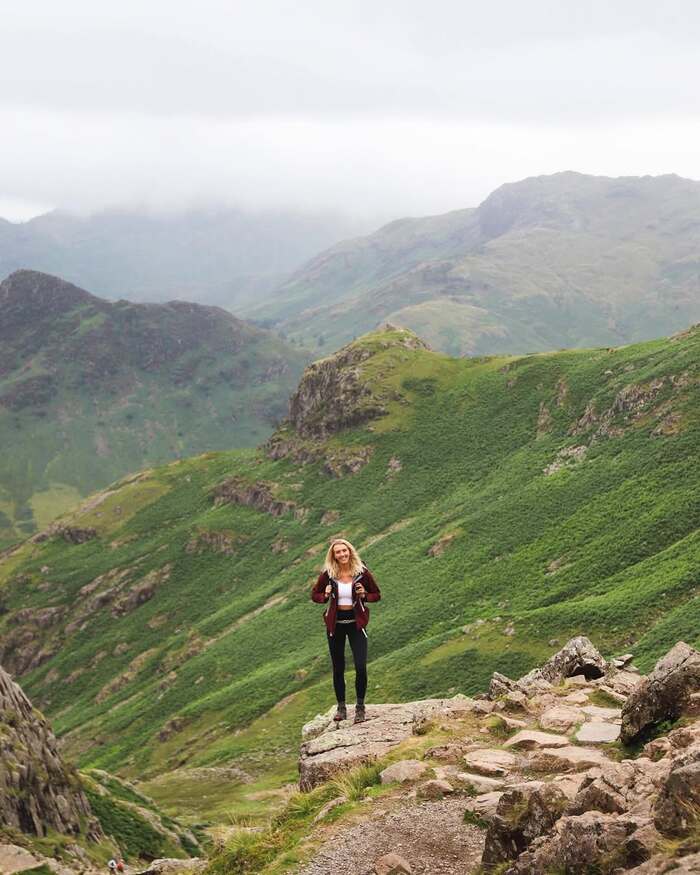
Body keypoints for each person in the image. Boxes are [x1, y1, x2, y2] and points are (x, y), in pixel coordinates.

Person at [311, 538, 381, 724]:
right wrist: (325, 595)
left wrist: (364, 594)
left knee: (360, 666)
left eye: (344, 550)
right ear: (333, 555)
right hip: (336, 625)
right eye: (338, 552)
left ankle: (360, 707)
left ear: (350, 551)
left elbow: (376, 594)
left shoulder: (361, 572)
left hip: (356, 624)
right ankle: (341, 708)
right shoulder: (328, 574)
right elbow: (315, 595)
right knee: (338, 668)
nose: (342, 554)